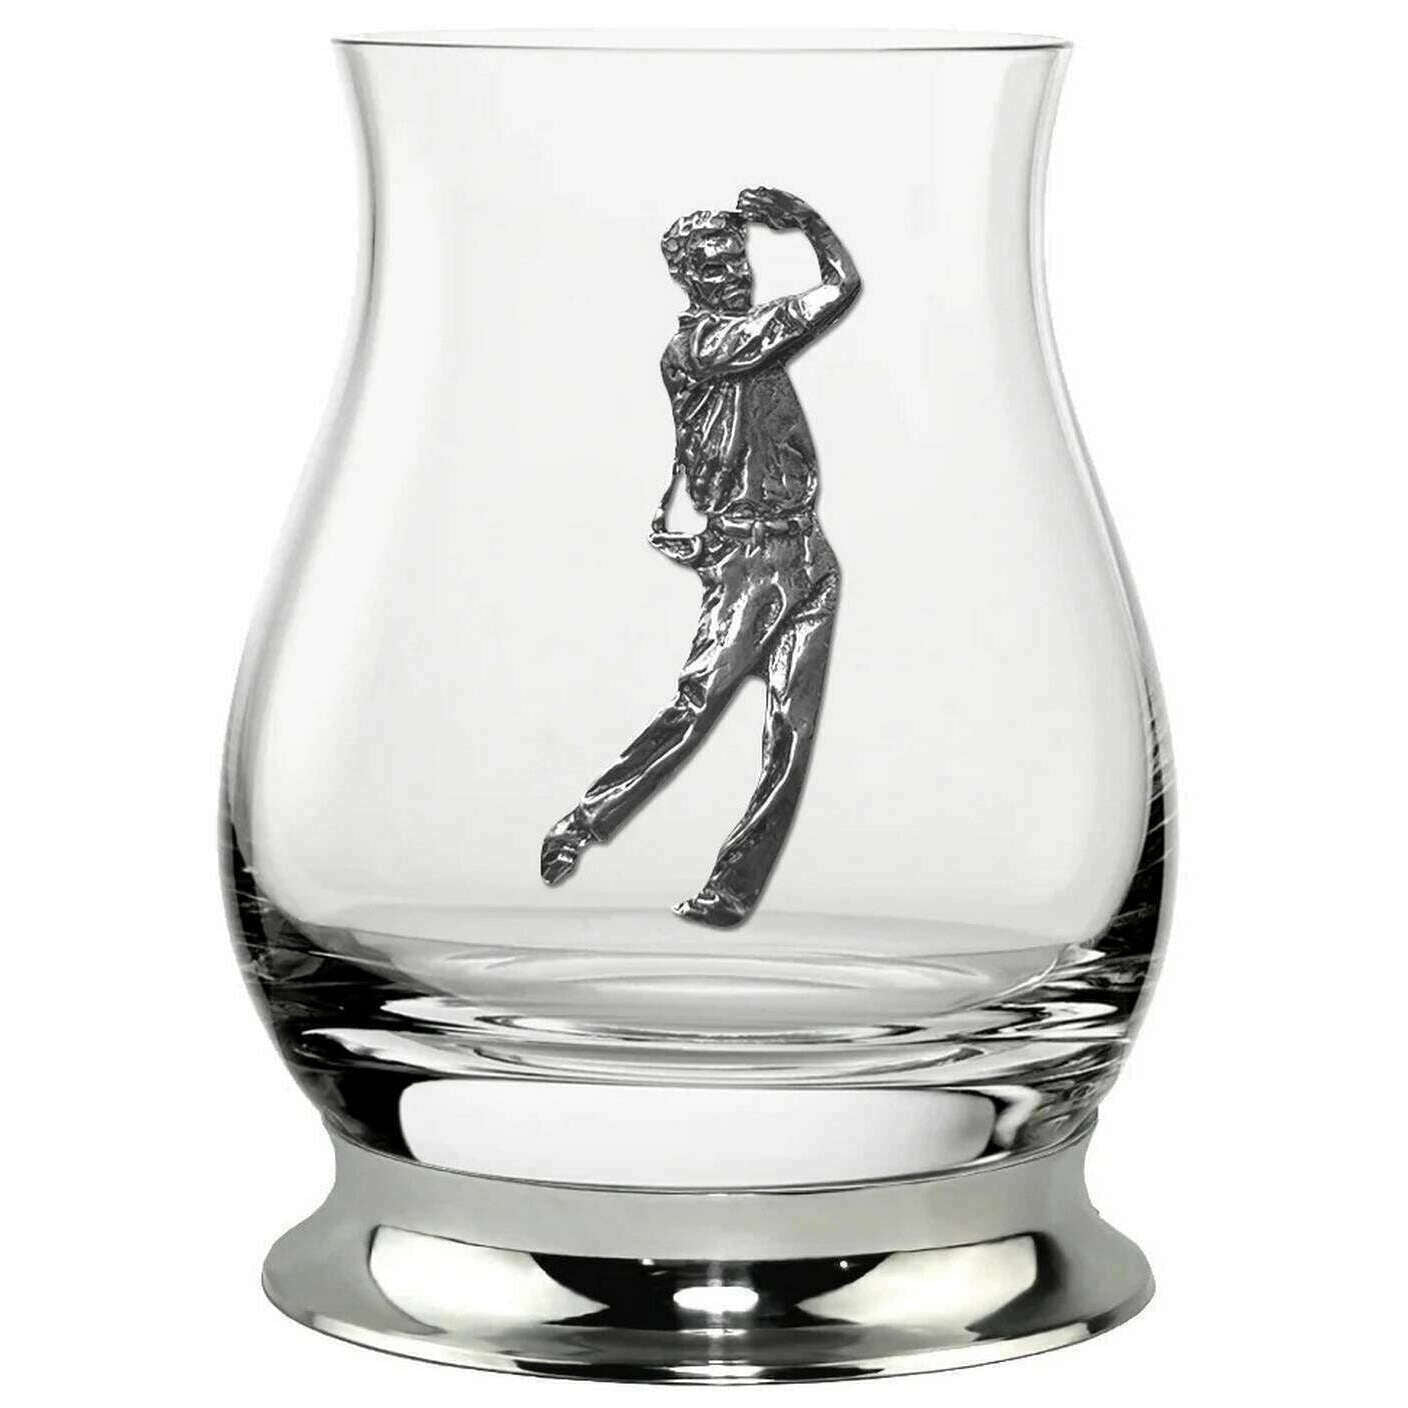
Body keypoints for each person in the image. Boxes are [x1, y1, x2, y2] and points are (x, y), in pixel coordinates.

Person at [541, 186, 862, 927]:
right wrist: (810, 227)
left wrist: (808, 224)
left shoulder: (746, 342)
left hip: (807, 551)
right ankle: (584, 823)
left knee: (793, 736)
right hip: (750, 563)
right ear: (688, 278)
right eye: (715, 266)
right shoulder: (705, 347)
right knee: (696, 708)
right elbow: (837, 292)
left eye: (737, 259)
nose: (735, 274)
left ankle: (731, 892)